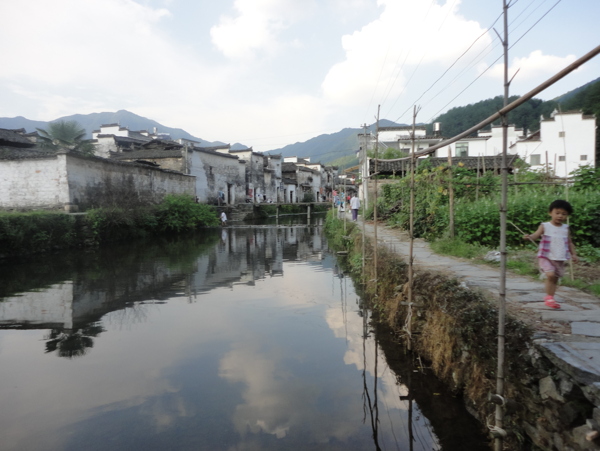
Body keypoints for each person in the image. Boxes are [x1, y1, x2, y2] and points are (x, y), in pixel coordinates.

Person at [523, 199, 578, 309]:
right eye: (557, 213)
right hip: (546, 256)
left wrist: (574, 254)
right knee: (550, 275)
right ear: (550, 213)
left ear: (567, 216)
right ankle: (549, 297)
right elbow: (536, 235)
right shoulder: (545, 226)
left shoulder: (565, 228)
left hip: (559, 257)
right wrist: (529, 237)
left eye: (564, 214)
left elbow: (569, 242)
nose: (560, 216)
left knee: (555, 278)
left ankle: (550, 297)